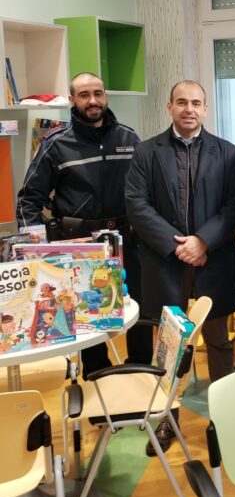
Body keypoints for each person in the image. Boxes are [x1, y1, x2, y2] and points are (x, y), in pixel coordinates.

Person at [125, 80, 235, 454]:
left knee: (218, 342)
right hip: (165, 262)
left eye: (196, 103)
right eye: (181, 102)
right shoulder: (146, 152)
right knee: (170, 346)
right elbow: (136, 205)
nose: (189, 108)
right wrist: (179, 247)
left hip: (214, 260)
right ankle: (166, 420)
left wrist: (203, 240)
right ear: (169, 107)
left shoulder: (227, 153)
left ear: (205, 109)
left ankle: (224, 416)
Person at [16, 72, 152, 375]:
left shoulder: (129, 138)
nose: (93, 101)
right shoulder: (56, 144)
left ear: (106, 96)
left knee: (140, 307)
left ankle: (141, 370)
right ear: (72, 100)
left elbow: (147, 189)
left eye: (98, 93)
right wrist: (35, 248)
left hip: (127, 239)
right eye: (84, 95)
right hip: (80, 244)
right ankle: (96, 374)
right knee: (89, 314)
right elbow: (28, 199)